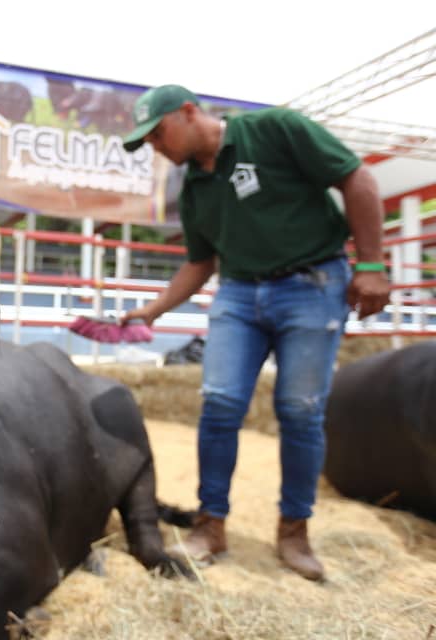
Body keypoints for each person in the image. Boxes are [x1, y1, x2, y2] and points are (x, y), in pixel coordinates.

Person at [120, 84, 391, 581]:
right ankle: (210, 525)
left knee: (300, 410)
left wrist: (371, 263)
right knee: (219, 402)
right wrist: (152, 310)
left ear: (187, 112)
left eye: (157, 133)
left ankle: (294, 531)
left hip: (312, 283)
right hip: (240, 293)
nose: (155, 147)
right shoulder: (194, 189)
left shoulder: (274, 129)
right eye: (148, 142)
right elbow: (200, 262)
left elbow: (357, 178)